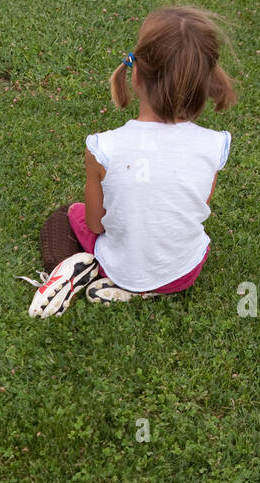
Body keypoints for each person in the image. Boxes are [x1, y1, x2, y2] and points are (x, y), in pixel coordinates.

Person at [24, 6, 237, 317]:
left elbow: (96, 223)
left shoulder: (103, 147)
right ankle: (142, 290)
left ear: (136, 74)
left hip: (122, 264)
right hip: (184, 272)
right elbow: (198, 203)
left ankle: (74, 269)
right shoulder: (214, 144)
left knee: (66, 216)